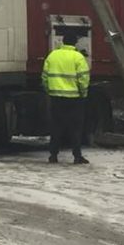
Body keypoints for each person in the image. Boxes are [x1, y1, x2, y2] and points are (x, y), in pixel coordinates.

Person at [42, 32, 91, 164]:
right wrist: (83, 93)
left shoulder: (52, 56)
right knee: (75, 128)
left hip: (56, 98)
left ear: (63, 42)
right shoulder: (78, 57)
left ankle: (53, 155)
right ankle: (77, 156)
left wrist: (49, 90)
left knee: (56, 127)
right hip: (74, 99)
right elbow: (83, 78)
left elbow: (45, 76)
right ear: (75, 43)